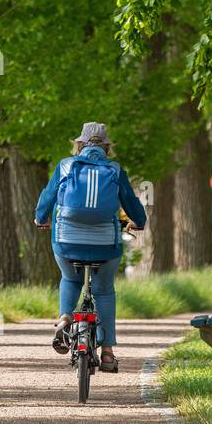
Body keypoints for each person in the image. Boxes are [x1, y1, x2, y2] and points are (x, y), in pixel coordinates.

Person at [33, 122, 146, 372]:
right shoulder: (115, 170)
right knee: (104, 291)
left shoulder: (65, 165)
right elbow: (131, 202)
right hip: (106, 243)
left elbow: (47, 197)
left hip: (67, 239)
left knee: (70, 278)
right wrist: (139, 222)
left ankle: (65, 318)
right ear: (107, 147)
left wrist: (41, 219)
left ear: (79, 144)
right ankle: (107, 353)